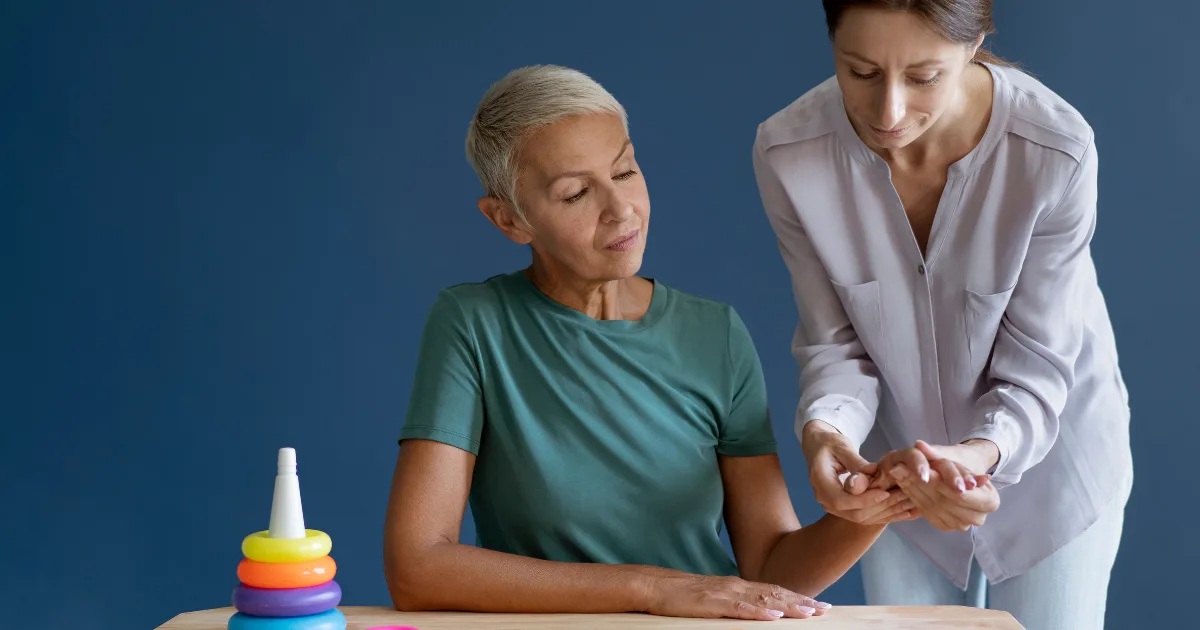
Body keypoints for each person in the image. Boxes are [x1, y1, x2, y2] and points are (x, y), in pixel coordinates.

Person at [382, 64, 910, 622]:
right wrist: (653, 590)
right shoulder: (473, 325)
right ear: (509, 220)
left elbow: (771, 572)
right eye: (576, 193)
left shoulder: (717, 334)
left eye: (625, 170)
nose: (620, 208)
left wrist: (873, 509)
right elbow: (417, 567)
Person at [751, 1, 1133, 628]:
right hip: (894, 476)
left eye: (924, 77)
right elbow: (836, 344)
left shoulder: (1054, 151)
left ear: (976, 41)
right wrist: (826, 433)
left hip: (1054, 471)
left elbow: (1036, 366)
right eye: (860, 73)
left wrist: (978, 456)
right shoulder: (789, 151)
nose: (888, 113)